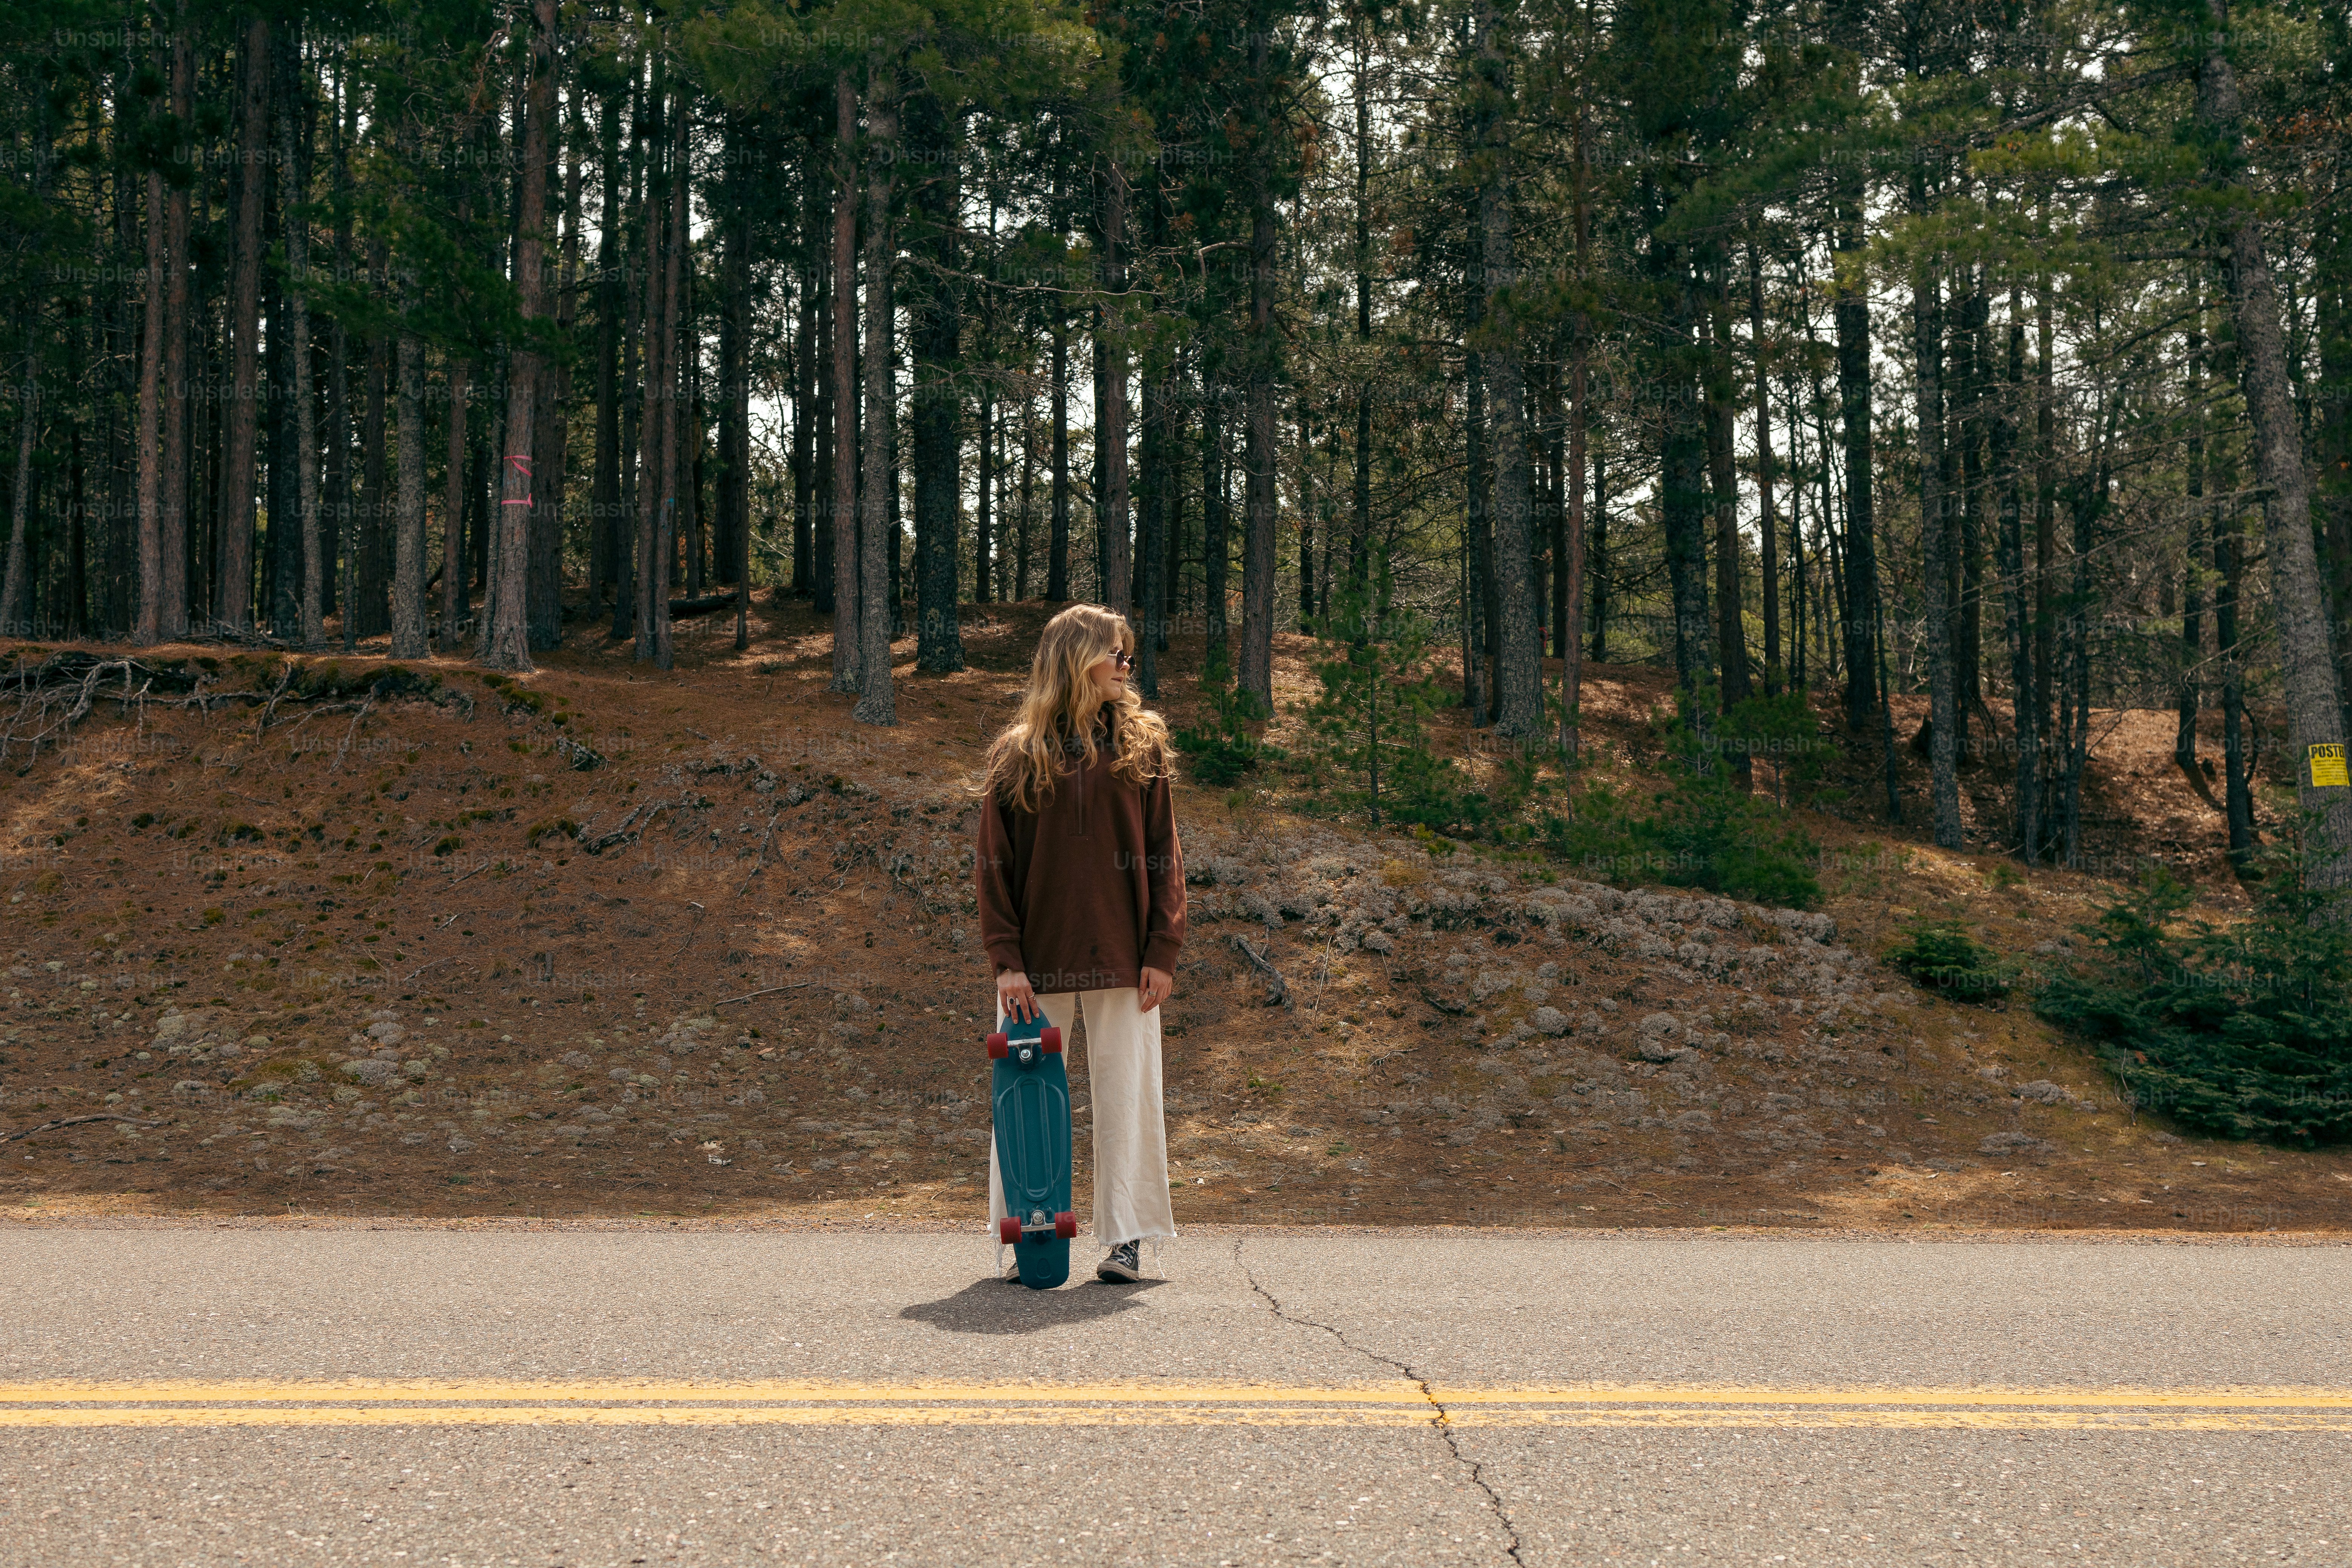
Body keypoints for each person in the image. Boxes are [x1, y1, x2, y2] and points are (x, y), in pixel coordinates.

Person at [972, 603, 1185, 1283]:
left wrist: (1163, 950)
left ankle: (1127, 1241)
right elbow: (993, 864)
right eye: (1115, 656)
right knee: (1023, 1102)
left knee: (1128, 1097)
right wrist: (1007, 963)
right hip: (1035, 965)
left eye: (1129, 657)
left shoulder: (1143, 746)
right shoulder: (1018, 753)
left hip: (1126, 958)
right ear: (1077, 660)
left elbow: (1164, 855)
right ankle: (1024, 1237)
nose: (1127, 667)